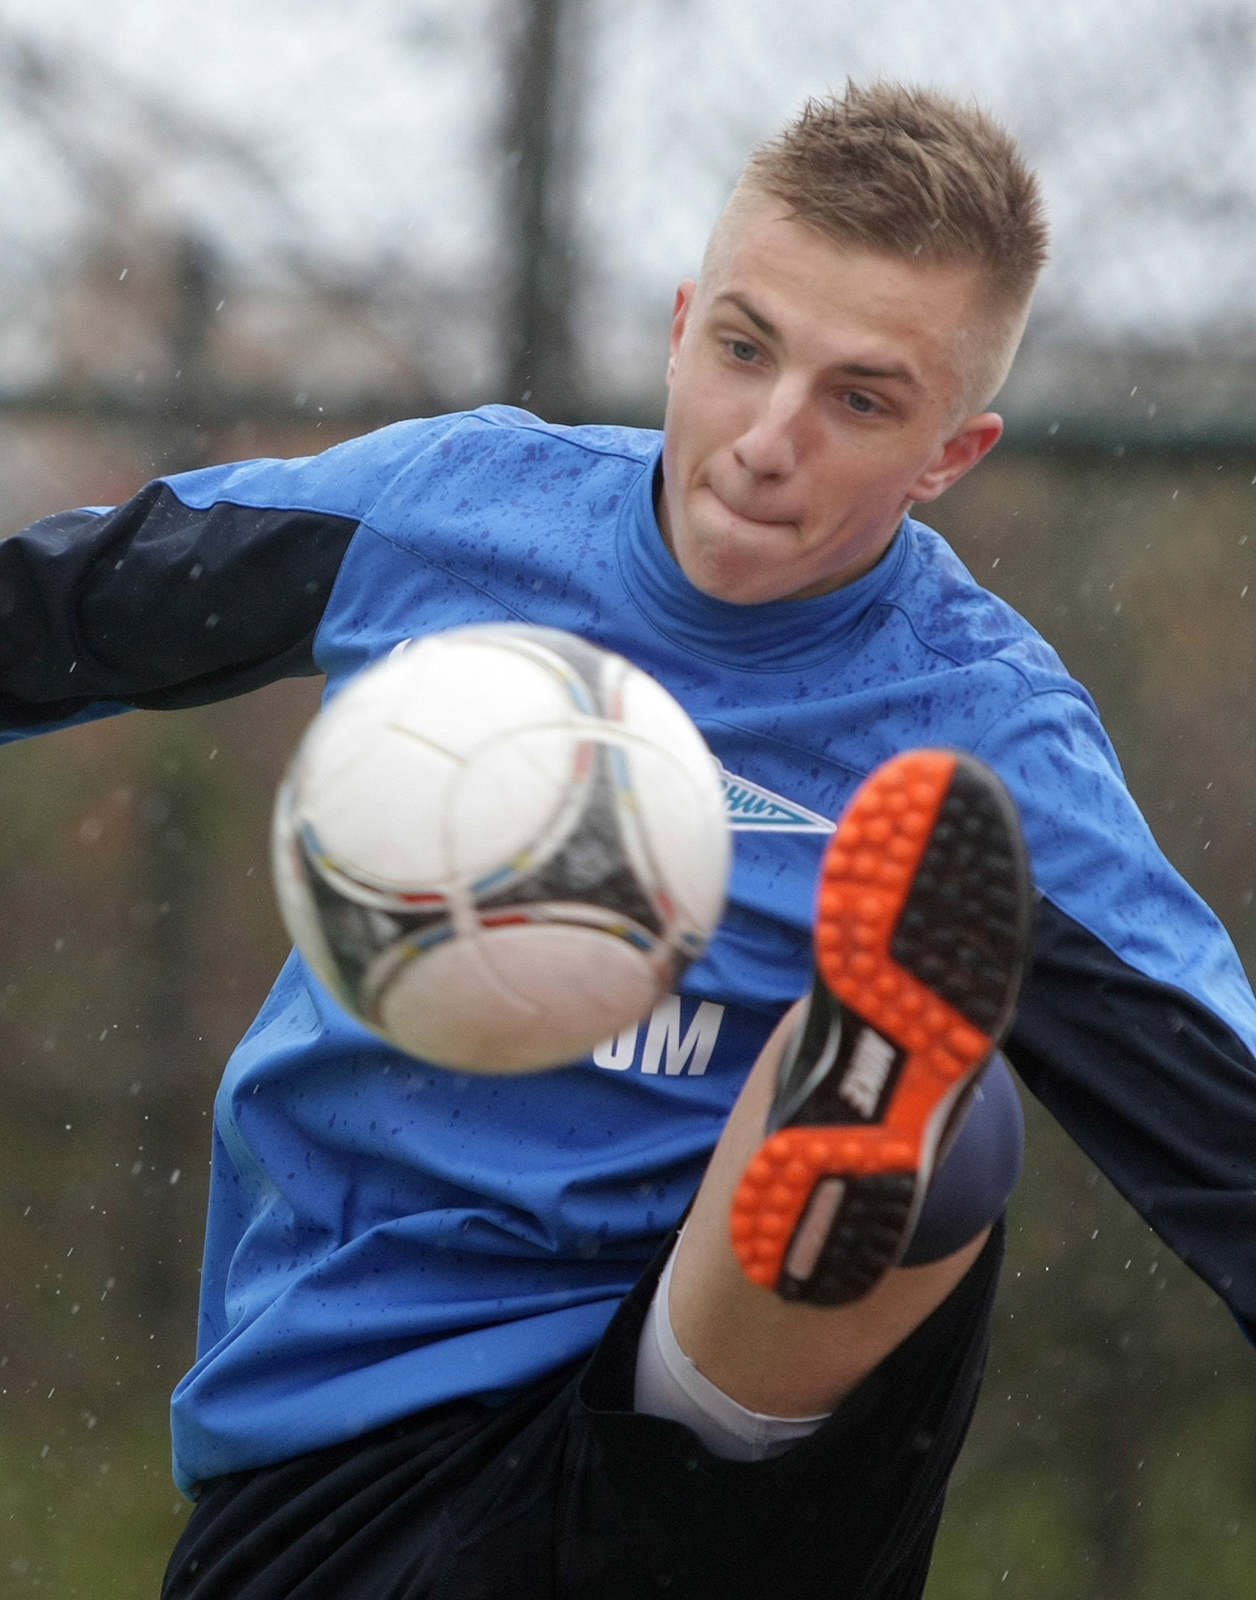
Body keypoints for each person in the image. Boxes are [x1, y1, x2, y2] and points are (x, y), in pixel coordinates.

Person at [2, 81, 1254, 1600]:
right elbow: (61, 609)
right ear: (679, 325)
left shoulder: (982, 738)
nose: (766, 440)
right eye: (744, 351)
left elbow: (1221, 1124)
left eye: (860, 401)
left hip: (732, 1475)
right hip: (353, 1449)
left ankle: (785, 1223)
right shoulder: (455, 520)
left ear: (952, 454)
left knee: (937, 1128)